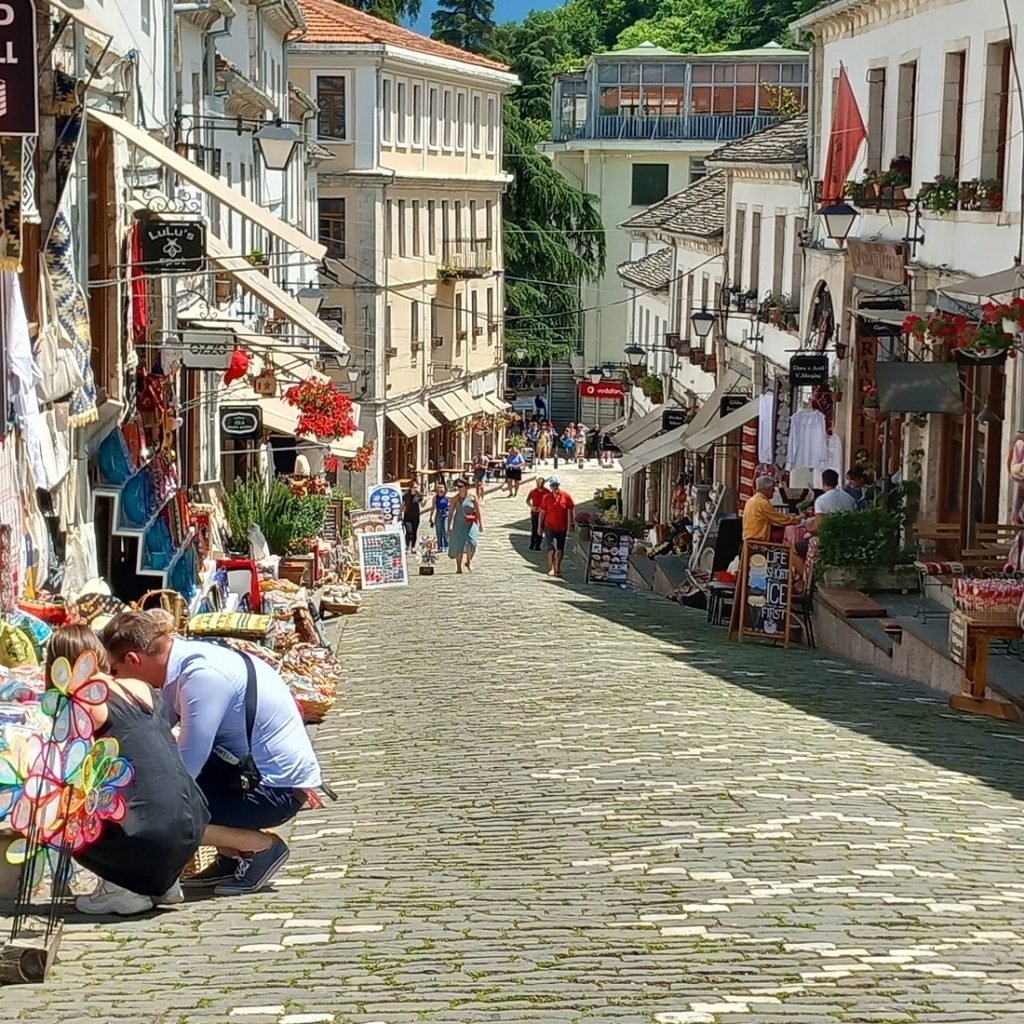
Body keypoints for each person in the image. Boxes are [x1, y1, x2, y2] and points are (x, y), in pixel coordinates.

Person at [100, 611, 323, 897]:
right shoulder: (184, 662)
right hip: (252, 775)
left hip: (275, 790)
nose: (116, 681)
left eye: (115, 673)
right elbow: (160, 731)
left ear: (133, 659)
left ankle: (260, 848)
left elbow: (187, 767)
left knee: (157, 813)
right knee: (152, 792)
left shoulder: (201, 678)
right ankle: (230, 856)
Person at [44, 626, 210, 916]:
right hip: (191, 823)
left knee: (57, 808)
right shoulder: (142, 687)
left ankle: (120, 888)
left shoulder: (84, 698)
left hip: (145, 835)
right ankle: (162, 883)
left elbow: (70, 767)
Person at [538, 476, 576, 578]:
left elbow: (571, 510)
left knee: (560, 550)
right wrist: (539, 527)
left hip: (562, 527)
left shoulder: (566, 496)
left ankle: (558, 567)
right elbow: (542, 513)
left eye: (557, 485)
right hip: (549, 526)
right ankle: (551, 568)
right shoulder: (546, 498)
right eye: (553, 486)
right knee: (551, 549)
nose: (555, 487)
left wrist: (572, 523)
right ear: (550, 487)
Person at [742, 475, 800, 542]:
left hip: (750, 539)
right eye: (773, 489)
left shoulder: (751, 500)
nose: (774, 491)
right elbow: (779, 519)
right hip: (757, 540)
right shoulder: (761, 502)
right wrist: (797, 519)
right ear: (768, 489)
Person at [447, 478, 483, 574]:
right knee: (459, 544)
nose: (458, 488)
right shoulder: (455, 499)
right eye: (457, 486)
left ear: (466, 487)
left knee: (472, 541)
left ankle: (469, 560)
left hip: (471, 523)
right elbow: (450, 513)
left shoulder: (473, 497)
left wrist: (481, 524)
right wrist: (449, 526)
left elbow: (478, 511)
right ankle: (458, 567)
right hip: (458, 523)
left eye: (460, 486)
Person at [526, 476, 548, 551]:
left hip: (543, 513)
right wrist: (532, 507)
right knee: (534, 528)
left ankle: (538, 545)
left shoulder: (547, 492)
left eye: (541, 483)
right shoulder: (533, 491)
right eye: (539, 482)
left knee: (541, 529)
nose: (540, 484)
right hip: (534, 513)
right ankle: (532, 544)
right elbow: (527, 501)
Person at [401, 482, 424, 553]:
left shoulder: (419, 495)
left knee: (414, 532)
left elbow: (422, 505)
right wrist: (399, 513)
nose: (415, 489)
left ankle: (413, 547)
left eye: (416, 487)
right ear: (411, 488)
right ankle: (407, 546)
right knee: (408, 531)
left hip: (416, 516)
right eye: (414, 487)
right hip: (407, 516)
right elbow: (403, 505)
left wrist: (425, 500)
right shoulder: (406, 496)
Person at [429, 482, 450, 552]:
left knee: (445, 530)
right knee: (439, 531)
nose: (440, 490)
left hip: (446, 514)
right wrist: (430, 517)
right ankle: (440, 546)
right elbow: (433, 507)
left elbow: (451, 507)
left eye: (442, 488)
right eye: (439, 488)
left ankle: (446, 545)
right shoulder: (435, 498)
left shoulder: (447, 497)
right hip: (438, 513)